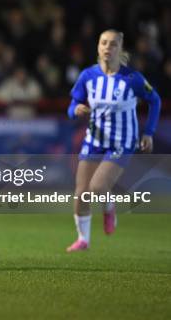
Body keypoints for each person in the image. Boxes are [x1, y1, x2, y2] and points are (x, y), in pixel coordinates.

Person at [66, 29, 160, 252]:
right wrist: (75, 110)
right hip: (94, 139)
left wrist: (148, 132)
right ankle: (83, 240)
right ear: (98, 47)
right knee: (81, 194)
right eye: (104, 43)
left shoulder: (132, 78)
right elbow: (72, 105)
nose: (108, 47)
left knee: (98, 187)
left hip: (122, 141)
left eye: (113, 44)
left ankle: (108, 207)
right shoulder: (88, 76)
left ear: (120, 49)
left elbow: (154, 100)